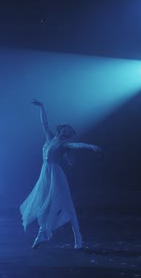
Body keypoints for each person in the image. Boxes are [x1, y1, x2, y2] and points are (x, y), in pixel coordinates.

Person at [20, 99, 102, 250]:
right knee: (43, 206)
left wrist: (90, 146)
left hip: (56, 175)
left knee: (67, 206)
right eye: (67, 128)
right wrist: (42, 106)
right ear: (61, 129)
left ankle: (78, 237)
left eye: (70, 130)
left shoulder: (64, 144)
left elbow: (77, 145)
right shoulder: (50, 137)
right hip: (45, 175)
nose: (69, 130)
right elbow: (44, 123)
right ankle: (42, 234)